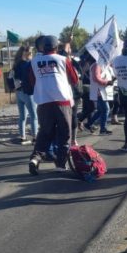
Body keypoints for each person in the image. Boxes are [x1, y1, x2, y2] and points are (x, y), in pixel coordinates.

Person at [28, 35, 80, 175]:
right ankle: (60, 164)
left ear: (43, 47)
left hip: (43, 102)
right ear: (56, 47)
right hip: (62, 102)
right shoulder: (63, 60)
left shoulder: (34, 61)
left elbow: (32, 81)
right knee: (64, 133)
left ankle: (35, 158)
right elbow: (74, 79)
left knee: (45, 132)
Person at [11, 46, 37, 144]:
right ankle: (35, 137)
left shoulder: (16, 64)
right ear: (28, 54)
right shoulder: (28, 64)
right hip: (28, 92)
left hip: (18, 92)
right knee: (34, 116)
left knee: (22, 116)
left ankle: (22, 136)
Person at [86, 56, 115, 135]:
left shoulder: (100, 65)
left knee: (100, 110)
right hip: (99, 92)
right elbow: (96, 78)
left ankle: (89, 124)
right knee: (106, 109)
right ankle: (103, 129)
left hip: (101, 91)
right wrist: (107, 82)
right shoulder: (97, 65)